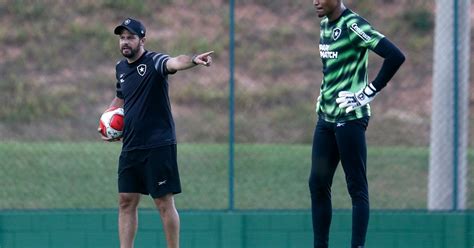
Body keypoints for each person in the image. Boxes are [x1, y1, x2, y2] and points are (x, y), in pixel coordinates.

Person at [98, 18, 213, 248]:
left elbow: (174, 62)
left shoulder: (154, 61)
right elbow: (121, 97)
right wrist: (107, 120)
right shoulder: (120, 68)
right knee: (126, 201)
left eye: (131, 37)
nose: (125, 42)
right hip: (131, 145)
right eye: (122, 37)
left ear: (142, 40)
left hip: (158, 144)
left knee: (163, 202)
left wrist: (192, 60)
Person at [309, 1, 405, 248]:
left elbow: (395, 56)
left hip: (350, 119)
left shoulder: (353, 25)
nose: (315, 1)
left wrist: (367, 93)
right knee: (317, 184)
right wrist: (325, 94)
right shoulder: (324, 26)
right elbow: (330, 71)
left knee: (356, 187)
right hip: (326, 119)